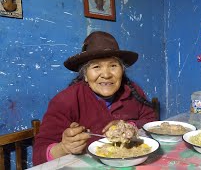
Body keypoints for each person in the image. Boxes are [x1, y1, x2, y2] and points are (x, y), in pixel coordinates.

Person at [33, 31, 157, 165]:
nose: (106, 74)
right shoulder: (65, 101)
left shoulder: (133, 91)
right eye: (96, 67)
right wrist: (63, 148)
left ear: (122, 70)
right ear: (85, 75)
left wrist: (129, 126)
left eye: (113, 66)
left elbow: (151, 120)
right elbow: (38, 157)